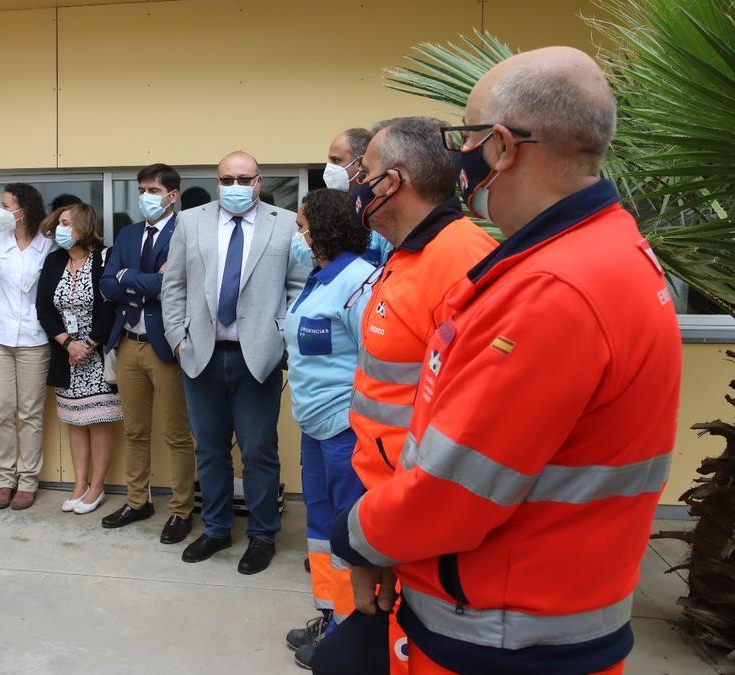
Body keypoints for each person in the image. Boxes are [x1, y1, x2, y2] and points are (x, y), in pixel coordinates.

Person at [330, 47, 681, 675]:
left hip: (505, 625)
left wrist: (356, 537)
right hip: (547, 604)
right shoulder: (606, 249)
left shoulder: (555, 289)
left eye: (465, 137)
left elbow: (454, 490)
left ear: (500, 146)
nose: (457, 158)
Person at [311, 117, 498, 673]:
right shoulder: (407, 253)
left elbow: (458, 433)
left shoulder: (464, 263)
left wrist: (381, 542)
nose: (353, 184)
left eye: (363, 173)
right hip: (384, 512)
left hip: (417, 526)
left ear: (394, 182)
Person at [162, 151, 308, 575]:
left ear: (260, 182)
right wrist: (177, 340)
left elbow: (298, 286)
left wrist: (280, 339)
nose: (236, 187)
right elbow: (174, 286)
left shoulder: (283, 223)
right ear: (216, 182)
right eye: (227, 179)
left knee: (259, 450)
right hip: (201, 356)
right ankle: (217, 528)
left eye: (245, 179)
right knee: (209, 450)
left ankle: (263, 534)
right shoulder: (191, 221)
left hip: (256, 357)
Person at [280, 188, 377, 670]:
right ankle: (330, 611)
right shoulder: (319, 279)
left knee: (345, 529)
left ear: (324, 230)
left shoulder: (361, 283)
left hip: (345, 429)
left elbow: (377, 360)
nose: (299, 237)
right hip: (315, 426)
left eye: (303, 228)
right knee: (320, 528)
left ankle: (349, 628)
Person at [99, 163, 196, 544]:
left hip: (166, 346)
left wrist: (130, 279)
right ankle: (138, 501)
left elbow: (177, 283)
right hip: (127, 344)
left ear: (173, 195)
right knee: (135, 430)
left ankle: (181, 509)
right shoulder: (127, 233)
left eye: (153, 190)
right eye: (142, 189)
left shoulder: (186, 231)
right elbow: (108, 284)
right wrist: (145, 282)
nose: (145, 197)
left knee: (176, 433)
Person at [36, 203, 120, 515]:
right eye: (59, 223)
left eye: (67, 223)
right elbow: (43, 308)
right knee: (75, 422)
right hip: (66, 357)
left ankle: (96, 487)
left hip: (97, 355)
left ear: (84, 226)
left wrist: (88, 344)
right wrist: (68, 343)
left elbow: (111, 306)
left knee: (98, 422)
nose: (60, 229)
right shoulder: (54, 260)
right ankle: (79, 483)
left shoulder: (104, 257)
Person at [0, 183, 52, 510]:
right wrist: (7, 314)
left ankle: (27, 481)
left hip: (35, 339)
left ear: (24, 210)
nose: (2, 212)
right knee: (1, 411)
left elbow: (51, 292)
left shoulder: (48, 247)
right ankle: (5, 480)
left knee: (30, 413)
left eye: (7, 206)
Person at [322, 128, 392, 266]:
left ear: (360, 163)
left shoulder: (380, 210)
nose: (329, 168)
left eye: (336, 161)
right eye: (329, 161)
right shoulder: (327, 210)